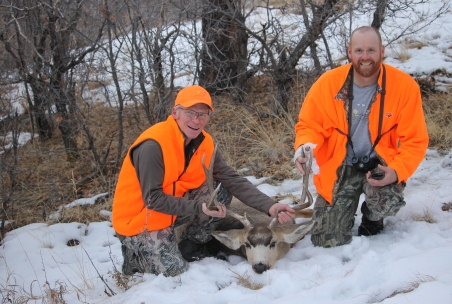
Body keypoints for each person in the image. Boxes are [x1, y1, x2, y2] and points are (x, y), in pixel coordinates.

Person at [112, 85, 295, 277]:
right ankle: (135, 253)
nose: (196, 120)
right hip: (140, 220)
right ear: (175, 112)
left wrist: (270, 206)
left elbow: (231, 179)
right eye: (190, 112)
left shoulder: (205, 143)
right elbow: (153, 200)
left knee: (220, 190)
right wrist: (198, 207)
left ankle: (191, 244)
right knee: (175, 273)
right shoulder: (153, 145)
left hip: (174, 211)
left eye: (203, 114)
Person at [294, 26, 429, 248]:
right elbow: (310, 125)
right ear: (349, 52)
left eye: (371, 50)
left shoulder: (404, 86)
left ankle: (372, 215)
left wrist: (396, 171)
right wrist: (304, 148)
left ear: (382, 51)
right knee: (326, 240)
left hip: (379, 166)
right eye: (358, 51)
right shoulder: (328, 84)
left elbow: (415, 140)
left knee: (385, 203)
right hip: (340, 166)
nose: (365, 57)